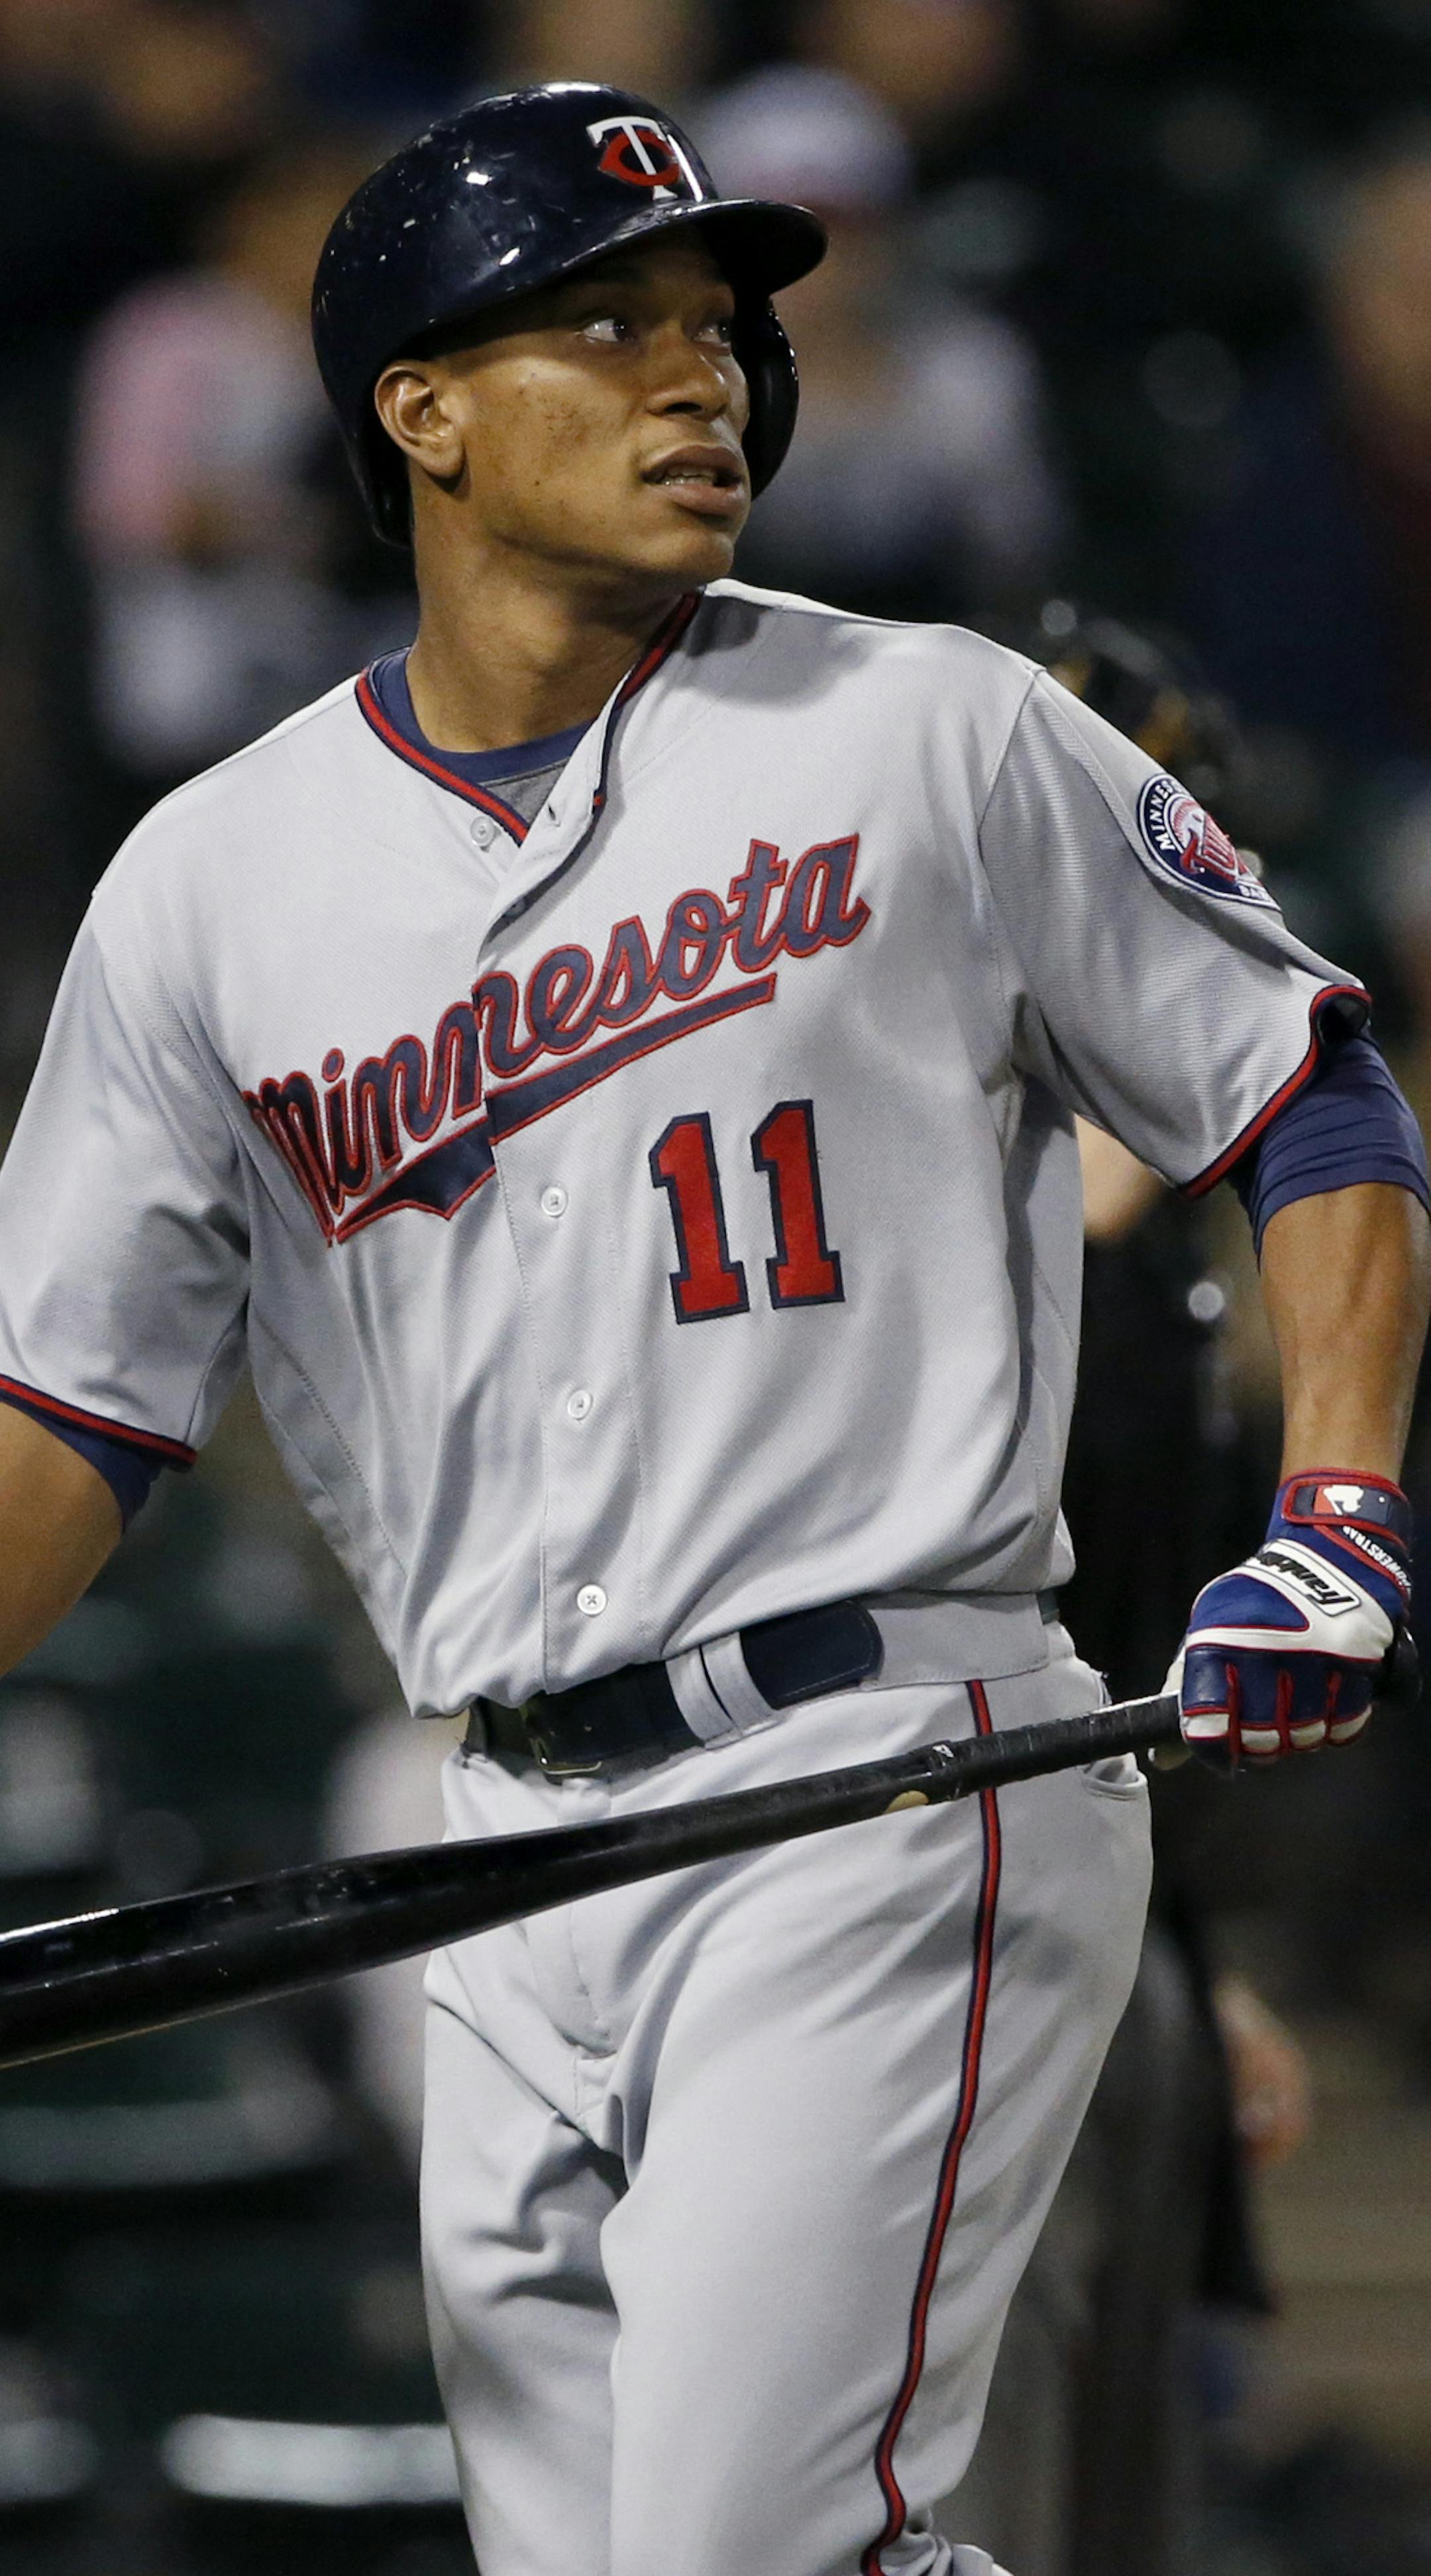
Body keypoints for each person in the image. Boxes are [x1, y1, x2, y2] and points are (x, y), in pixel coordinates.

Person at [0, 83, 1425, 2576]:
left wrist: (1338, 1517)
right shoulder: (211, 882)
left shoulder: (928, 728)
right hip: (502, 1845)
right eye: (607, 323)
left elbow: (1304, 1092)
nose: (702, 377)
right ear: (416, 416)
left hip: (883, 1775)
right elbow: (63, 1413)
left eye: (718, 328)